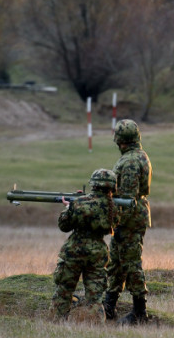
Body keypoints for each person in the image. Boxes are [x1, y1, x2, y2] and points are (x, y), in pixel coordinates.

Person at [50, 168, 117, 322]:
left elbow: (64, 226)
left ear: (93, 184)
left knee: (64, 291)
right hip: (97, 253)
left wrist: (69, 207)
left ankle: (56, 323)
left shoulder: (79, 203)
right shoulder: (113, 207)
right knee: (95, 297)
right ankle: (96, 325)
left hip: (74, 251)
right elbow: (112, 226)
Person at [102, 119, 152, 325]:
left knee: (131, 264)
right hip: (129, 219)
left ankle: (140, 312)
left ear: (121, 141)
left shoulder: (130, 161)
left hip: (129, 220)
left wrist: (117, 221)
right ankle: (109, 306)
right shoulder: (138, 156)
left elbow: (127, 199)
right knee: (117, 263)